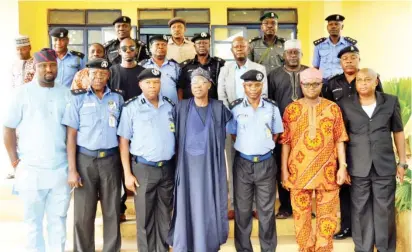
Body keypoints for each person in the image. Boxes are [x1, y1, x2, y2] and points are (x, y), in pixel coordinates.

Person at [3, 48, 71, 252]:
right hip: (31, 170)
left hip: (60, 169)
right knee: (32, 224)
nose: (48, 69)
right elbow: (8, 127)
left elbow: (70, 131)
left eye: (52, 65)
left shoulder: (65, 93)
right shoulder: (21, 93)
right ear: (35, 67)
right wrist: (15, 161)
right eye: (43, 66)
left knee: (58, 222)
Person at [280, 68, 349, 252]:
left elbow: (340, 139)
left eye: (316, 84)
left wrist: (342, 167)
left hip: (328, 171)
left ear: (321, 85)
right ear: (301, 85)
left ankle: (323, 249)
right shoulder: (291, 109)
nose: (311, 87)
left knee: (327, 218)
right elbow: (285, 141)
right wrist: (284, 170)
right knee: (301, 218)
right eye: (307, 84)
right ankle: (305, 248)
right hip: (298, 171)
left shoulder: (333, 108)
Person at [339, 68, 406, 252]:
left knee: (384, 212)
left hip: (384, 167)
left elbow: (398, 132)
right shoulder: (345, 104)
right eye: (359, 80)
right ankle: (363, 249)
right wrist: (342, 166)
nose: (363, 83)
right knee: (360, 212)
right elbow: (342, 139)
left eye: (367, 79)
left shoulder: (390, 102)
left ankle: (385, 249)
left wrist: (402, 162)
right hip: (358, 167)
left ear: (376, 81)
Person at [62, 58, 124, 252]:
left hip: (111, 161)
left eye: (102, 74)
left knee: (112, 211)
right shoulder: (77, 98)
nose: (98, 78)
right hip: (85, 161)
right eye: (94, 74)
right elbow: (71, 136)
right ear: (87, 75)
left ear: (108, 76)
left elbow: (123, 135)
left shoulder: (118, 99)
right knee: (83, 214)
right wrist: (72, 170)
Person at [168, 68, 232, 252]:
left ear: (209, 85)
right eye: (193, 83)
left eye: (201, 82)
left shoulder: (219, 109)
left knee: (208, 205)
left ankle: (207, 244)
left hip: (210, 169)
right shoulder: (180, 108)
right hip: (187, 169)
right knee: (186, 205)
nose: (197, 86)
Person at [323, 45, 384, 240]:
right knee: (344, 185)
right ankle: (347, 226)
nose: (349, 61)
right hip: (340, 141)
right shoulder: (332, 83)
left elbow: (380, 106)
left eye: (353, 57)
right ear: (340, 62)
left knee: (366, 184)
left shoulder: (370, 79)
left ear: (359, 59)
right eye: (345, 58)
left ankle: (367, 229)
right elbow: (325, 110)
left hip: (365, 140)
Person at [118, 68, 175, 252]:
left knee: (165, 216)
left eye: (156, 82)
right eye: (148, 83)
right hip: (143, 169)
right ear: (140, 85)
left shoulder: (169, 106)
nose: (152, 86)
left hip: (167, 168)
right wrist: (127, 173)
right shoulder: (131, 107)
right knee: (144, 218)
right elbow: (124, 141)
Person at [227, 69, 283, 251]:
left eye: (257, 85)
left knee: (266, 212)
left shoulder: (272, 107)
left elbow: (276, 134)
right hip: (243, 163)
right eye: (249, 85)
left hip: (266, 163)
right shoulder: (235, 108)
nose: (253, 89)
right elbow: (233, 134)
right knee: (242, 211)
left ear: (262, 85)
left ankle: (268, 248)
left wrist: (261, 147)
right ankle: (244, 249)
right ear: (244, 86)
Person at [218, 36, 267, 219]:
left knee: (252, 163)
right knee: (232, 162)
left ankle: (254, 205)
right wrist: (230, 119)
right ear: (232, 50)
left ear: (248, 49)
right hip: (232, 121)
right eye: (236, 46)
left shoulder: (259, 69)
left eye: (243, 46)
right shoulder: (226, 69)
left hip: (253, 122)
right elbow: (221, 95)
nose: (239, 48)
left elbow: (265, 94)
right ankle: (232, 204)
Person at [267, 39, 308, 219]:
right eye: (289, 52)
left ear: (301, 55)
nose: (293, 55)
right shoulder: (274, 75)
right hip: (282, 128)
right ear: (284, 55)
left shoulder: (310, 73)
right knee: (281, 166)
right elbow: (269, 102)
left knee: (305, 165)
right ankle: (285, 206)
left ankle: (304, 205)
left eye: (296, 52)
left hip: (306, 128)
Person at [178, 32, 225, 100]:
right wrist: (181, 105)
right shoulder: (186, 66)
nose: (202, 45)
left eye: (205, 43)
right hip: (191, 107)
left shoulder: (218, 64)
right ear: (194, 46)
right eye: (199, 43)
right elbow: (180, 88)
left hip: (213, 106)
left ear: (209, 45)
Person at [312, 14, 357, 80]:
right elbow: (315, 67)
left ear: (342, 27)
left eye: (336, 24)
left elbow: (354, 66)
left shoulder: (350, 45)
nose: (333, 27)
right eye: (331, 24)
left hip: (342, 82)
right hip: (324, 82)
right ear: (327, 27)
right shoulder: (319, 45)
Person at [139, 34, 180, 104]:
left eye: (164, 45)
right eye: (157, 44)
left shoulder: (175, 67)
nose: (161, 47)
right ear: (151, 48)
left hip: (172, 108)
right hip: (149, 108)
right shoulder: (143, 66)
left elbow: (180, 88)